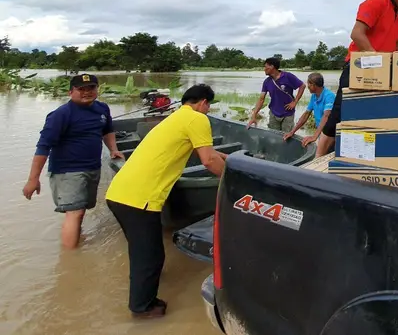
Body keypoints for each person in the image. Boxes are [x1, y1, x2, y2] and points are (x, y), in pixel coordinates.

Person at [105, 84, 227, 319]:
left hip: (119, 193)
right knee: (150, 259)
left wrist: (230, 159)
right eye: (208, 105)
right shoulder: (197, 119)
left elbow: (206, 150)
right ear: (203, 102)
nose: (208, 109)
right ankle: (142, 308)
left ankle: (143, 288)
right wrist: (231, 179)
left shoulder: (176, 118)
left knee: (144, 253)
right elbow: (209, 161)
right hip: (140, 200)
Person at [320, 0, 398, 147]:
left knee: (370, 114)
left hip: (382, 72)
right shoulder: (375, 3)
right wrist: (378, 60)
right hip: (358, 66)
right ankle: (318, 155)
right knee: (339, 112)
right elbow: (357, 34)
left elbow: (396, 42)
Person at [22, 73, 124, 250]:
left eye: (91, 88)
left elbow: (107, 131)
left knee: (80, 210)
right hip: (67, 171)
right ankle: (70, 259)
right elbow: (43, 147)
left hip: (93, 167)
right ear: (71, 92)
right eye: (81, 89)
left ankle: (75, 242)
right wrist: (33, 179)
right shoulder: (60, 115)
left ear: (97, 89)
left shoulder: (102, 109)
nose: (87, 92)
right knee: (74, 212)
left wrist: (113, 149)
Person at [283, 72, 337, 156]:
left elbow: (326, 116)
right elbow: (306, 114)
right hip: (322, 132)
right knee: (321, 156)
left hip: (330, 134)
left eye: (308, 83)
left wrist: (314, 136)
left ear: (314, 85)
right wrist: (292, 132)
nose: (307, 86)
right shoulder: (314, 96)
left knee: (326, 156)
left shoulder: (329, 96)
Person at [247, 57, 305, 133]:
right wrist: (254, 116)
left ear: (272, 67)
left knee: (286, 137)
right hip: (273, 114)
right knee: (273, 137)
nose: (264, 69)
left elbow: (302, 86)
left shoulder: (288, 76)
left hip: (288, 114)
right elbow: (261, 99)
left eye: (265, 66)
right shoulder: (267, 82)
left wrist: (295, 102)